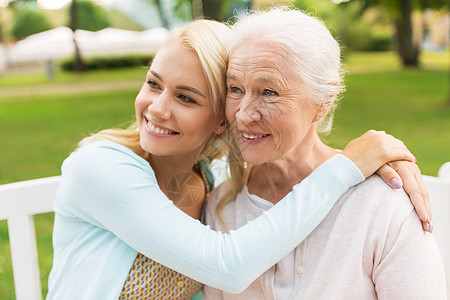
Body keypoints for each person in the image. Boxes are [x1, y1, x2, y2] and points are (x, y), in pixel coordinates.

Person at [47, 19, 431, 300]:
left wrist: (385, 157)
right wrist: (345, 168)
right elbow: (227, 266)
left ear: (218, 120)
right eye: (153, 83)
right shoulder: (100, 169)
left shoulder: (212, 181)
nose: (157, 108)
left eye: (186, 97)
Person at [203, 7, 446, 299]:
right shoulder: (222, 205)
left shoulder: (383, 203)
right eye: (235, 88)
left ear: (323, 101)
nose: (243, 115)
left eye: (269, 92)